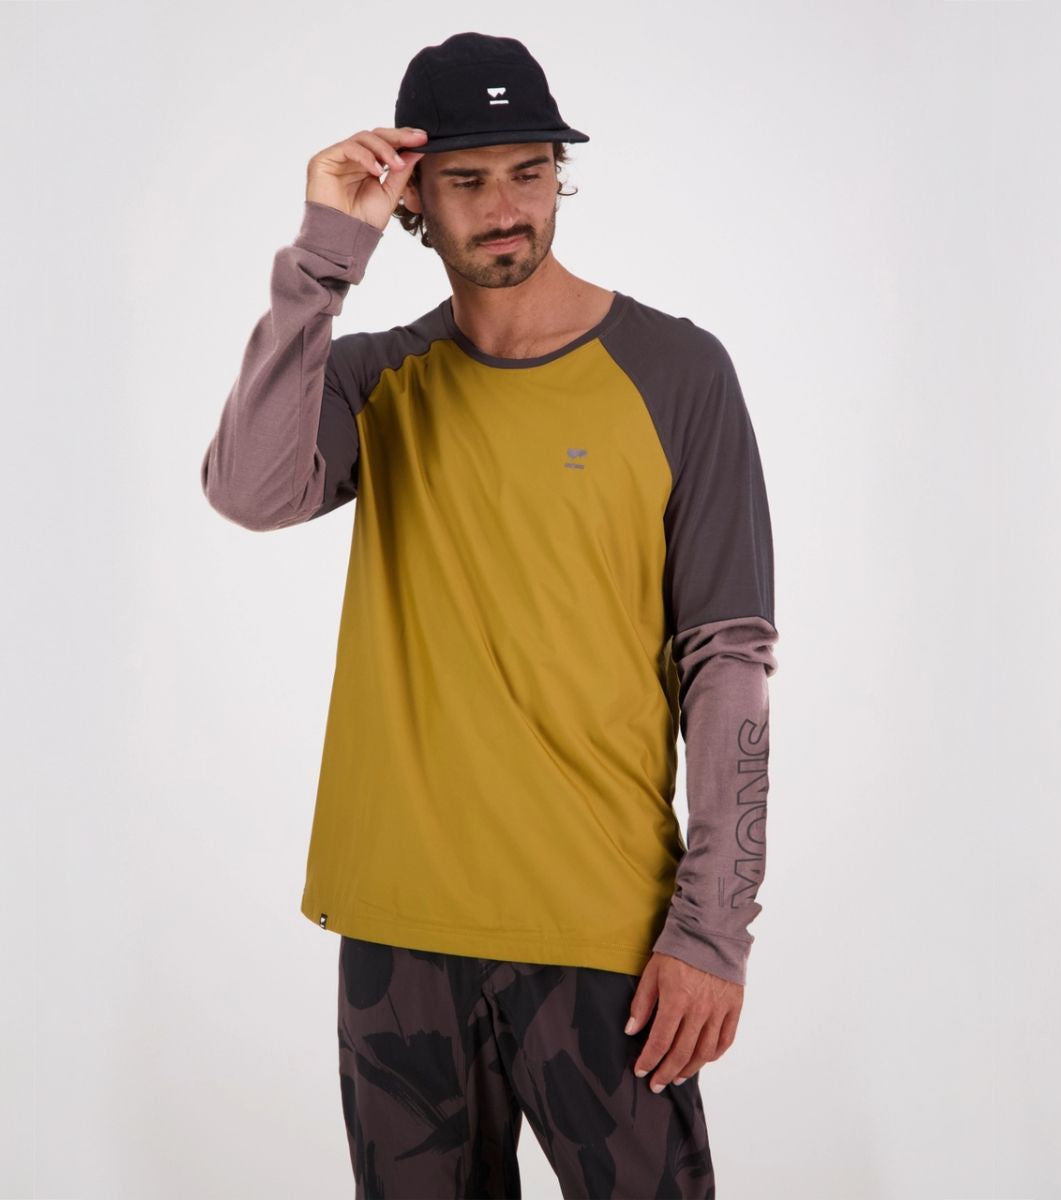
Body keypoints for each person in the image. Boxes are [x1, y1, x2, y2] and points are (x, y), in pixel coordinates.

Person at [201, 30, 779, 1200]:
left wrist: (713, 928)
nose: (506, 207)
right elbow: (249, 490)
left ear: (562, 175)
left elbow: (728, 661)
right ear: (413, 194)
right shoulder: (375, 378)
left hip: (600, 932)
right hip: (398, 933)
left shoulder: (678, 373)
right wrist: (324, 254)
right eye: (466, 180)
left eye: (530, 171)